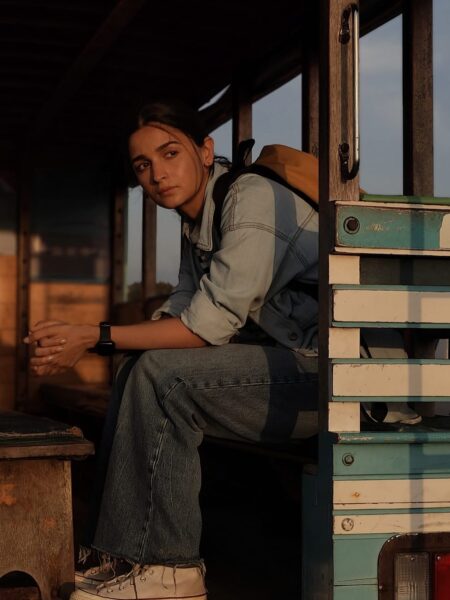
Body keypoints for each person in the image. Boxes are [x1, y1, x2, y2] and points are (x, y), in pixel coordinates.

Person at [25, 100, 319, 600]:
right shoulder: (199, 222)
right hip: (288, 370)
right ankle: (119, 555)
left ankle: (168, 568)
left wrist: (93, 334)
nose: (158, 174)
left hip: (338, 378)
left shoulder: (249, 198)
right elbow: (180, 310)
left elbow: (206, 326)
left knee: (165, 377)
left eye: (169, 153)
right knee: (138, 367)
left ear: (204, 151)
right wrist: (85, 340)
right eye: (143, 165)